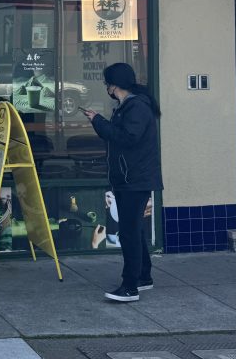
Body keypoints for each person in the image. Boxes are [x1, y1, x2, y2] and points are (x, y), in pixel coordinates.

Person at [81, 62, 163, 303]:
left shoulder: (136, 107)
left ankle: (129, 287)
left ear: (114, 86)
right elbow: (118, 136)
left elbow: (126, 138)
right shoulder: (128, 105)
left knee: (128, 233)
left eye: (107, 84)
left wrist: (98, 121)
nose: (107, 88)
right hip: (131, 178)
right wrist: (99, 121)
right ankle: (143, 277)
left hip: (134, 180)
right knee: (134, 229)